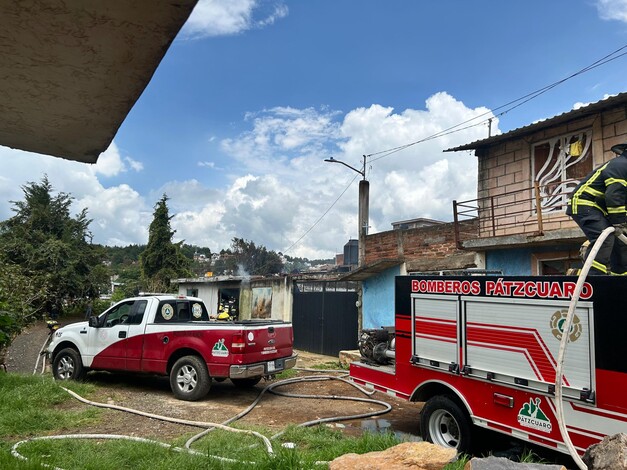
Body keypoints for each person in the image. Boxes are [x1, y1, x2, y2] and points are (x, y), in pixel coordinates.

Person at [566, 143, 627, 274]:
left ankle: (619, 279)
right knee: (605, 238)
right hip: (584, 203)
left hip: (600, 209)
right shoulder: (621, 165)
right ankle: (592, 277)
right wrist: (620, 222)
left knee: (621, 246)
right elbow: (614, 195)